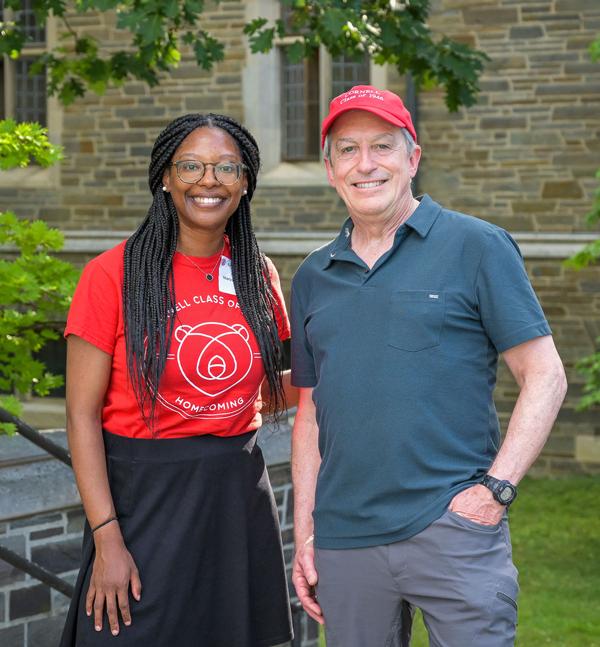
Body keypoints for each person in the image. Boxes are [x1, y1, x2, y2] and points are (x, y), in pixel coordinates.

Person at [290, 86, 567, 647]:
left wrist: (496, 492)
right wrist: (306, 534)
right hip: (345, 541)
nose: (365, 164)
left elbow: (545, 375)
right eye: (348, 150)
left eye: (382, 147)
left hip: (453, 528)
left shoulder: (477, 246)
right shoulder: (312, 276)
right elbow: (310, 416)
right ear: (330, 170)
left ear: (413, 158)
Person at [60, 113, 294, 647]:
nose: (208, 180)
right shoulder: (111, 274)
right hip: (144, 502)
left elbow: (257, 389)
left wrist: (342, 371)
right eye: (191, 165)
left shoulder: (259, 274)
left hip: (236, 497)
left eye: (226, 168)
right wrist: (107, 538)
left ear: (245, 183)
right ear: (165, 177)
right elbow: (80, 415)